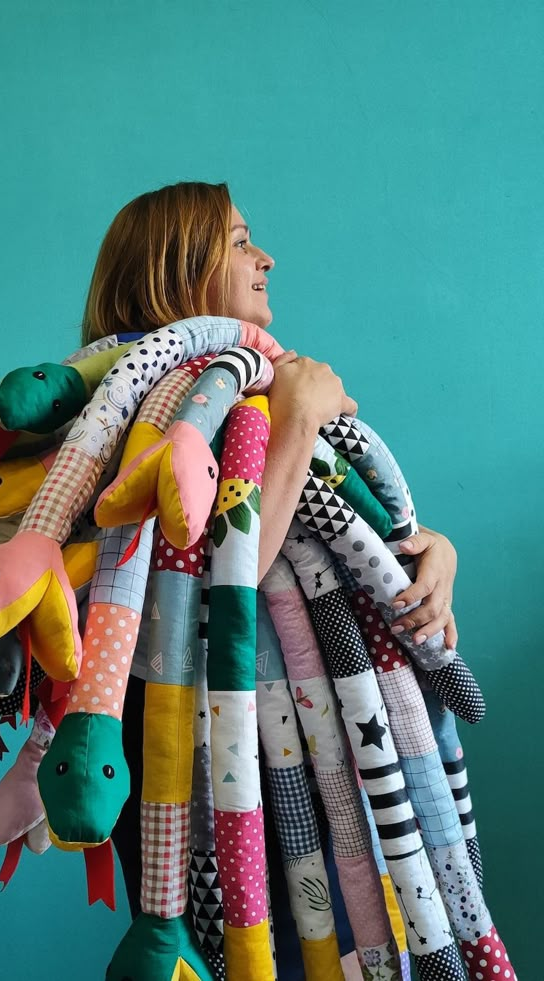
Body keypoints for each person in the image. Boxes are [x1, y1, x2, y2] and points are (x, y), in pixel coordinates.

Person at [80, 181, 458, 978]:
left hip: (308, 748)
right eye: (241, 241)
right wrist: (295, 420)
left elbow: (337, 531)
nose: (266, 257)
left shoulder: (249, 390)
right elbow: (209, 589)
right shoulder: (136, 412)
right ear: (175, 273)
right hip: (204, 770)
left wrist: (432, 555)